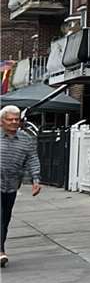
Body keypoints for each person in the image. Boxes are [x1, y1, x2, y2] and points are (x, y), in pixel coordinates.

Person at [0, 103, 43, 269]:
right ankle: (1, 251)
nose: (13, 122)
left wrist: (36, 180)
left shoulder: (25, 138)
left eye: (16, 119)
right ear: (2, 121)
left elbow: (32, 158)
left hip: (11, 184)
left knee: (5, 218)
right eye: (9, 119)